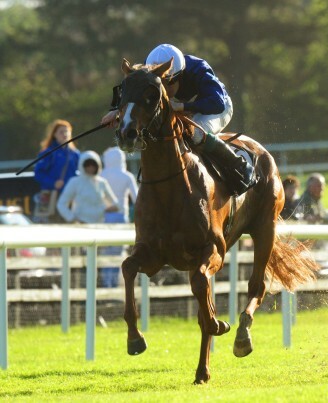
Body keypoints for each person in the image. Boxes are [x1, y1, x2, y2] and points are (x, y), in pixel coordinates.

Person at [101, 43, 257, 196]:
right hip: (180, 109)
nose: (163, 92)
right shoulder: (150, 68)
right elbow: (134, 92)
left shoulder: (199, 69)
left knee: (195, 134)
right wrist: (117, 111)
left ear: (179, 76)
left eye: (166, 84)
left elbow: (216, 104)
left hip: (215, 109)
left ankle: (239, 167)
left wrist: (183, 106)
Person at [99, 147, 138, 287]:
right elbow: (137, 198)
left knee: (105, 253)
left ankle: (105, 284)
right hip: (121, 217)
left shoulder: (101, 175)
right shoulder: (127, 176)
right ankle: (114, 285)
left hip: (103, 218)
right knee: (117, 253)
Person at [33, 119, 80, 223]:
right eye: (61, 132)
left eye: (67, 131)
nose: (65, 134)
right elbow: (38, 173)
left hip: (70, 196)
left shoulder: (75, 154)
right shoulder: (47, 153)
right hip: (51, 195)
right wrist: (53, 183)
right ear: (54, 134)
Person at [56, 150, 119, 224]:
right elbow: (61, 204)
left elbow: (115, 203)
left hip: (99, 224)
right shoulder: (74, 182)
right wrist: (72, 218)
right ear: (82, 165)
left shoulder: (102, 182)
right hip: (81, 225)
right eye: (87, 165)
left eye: (93, 165)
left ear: (98, 166)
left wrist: (108, 209)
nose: (90, 167)